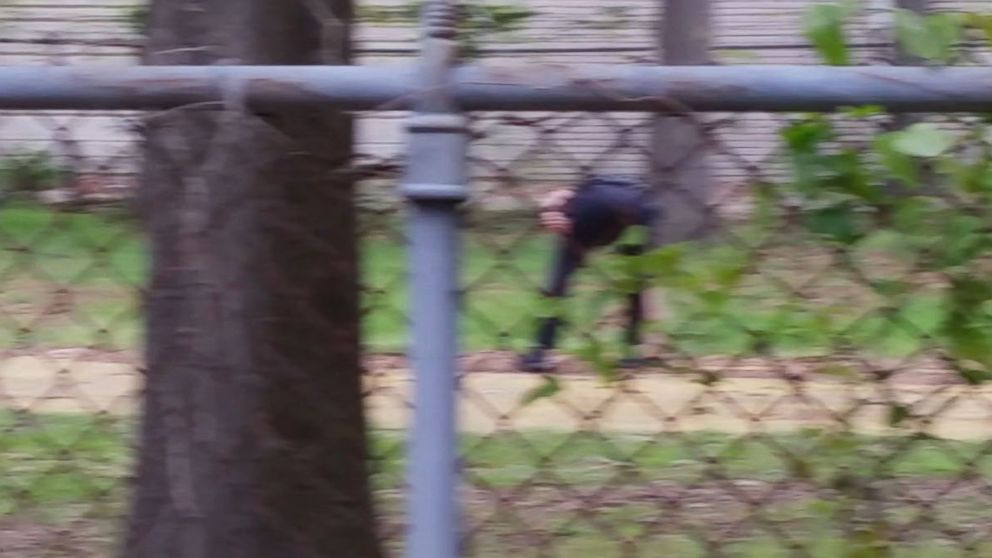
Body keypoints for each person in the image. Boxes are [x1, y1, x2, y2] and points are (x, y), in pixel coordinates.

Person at [519, 175, 661, 373]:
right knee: (633, 284)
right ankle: (633, 352)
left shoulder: (584, 192)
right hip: (641, 206)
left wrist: (548, 209)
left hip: (594, 207)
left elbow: (557, 199)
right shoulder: (608, 185)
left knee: (559, 279)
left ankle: (540, 353)